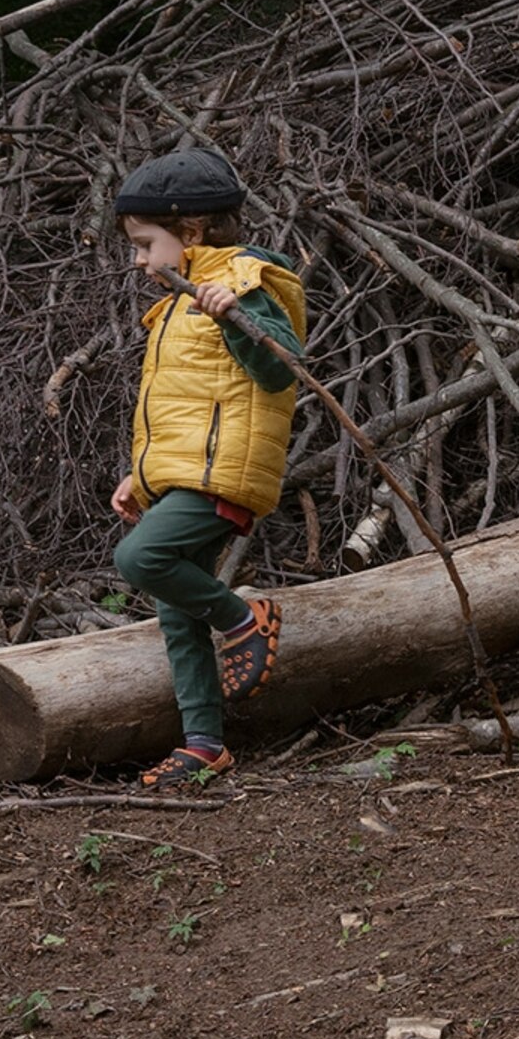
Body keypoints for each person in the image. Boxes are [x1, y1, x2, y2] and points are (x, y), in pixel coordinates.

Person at [105, 145, 312, 787]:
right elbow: (182, 413)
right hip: (186, 474)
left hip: (225, 473)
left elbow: (281, 370)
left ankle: (243, 619)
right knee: (173, 607)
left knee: (139, 561)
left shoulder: (245, 284)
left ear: (190, 233)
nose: (138, 261)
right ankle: (204, 743)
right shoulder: (172, 305)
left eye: (144, 244)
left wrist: (234, 319)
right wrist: (141, 480)